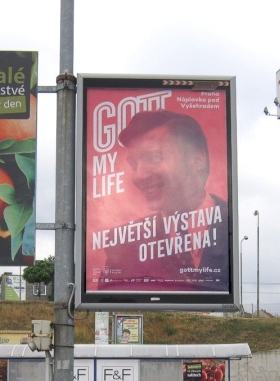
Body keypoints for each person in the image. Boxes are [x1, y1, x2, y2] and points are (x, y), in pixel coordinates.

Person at [97, 110, 229, 290]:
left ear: (197, 160)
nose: (139, 175)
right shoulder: (124, 242)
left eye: (154, 157)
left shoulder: (232, 225)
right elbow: (109, 297)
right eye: (134, 165)